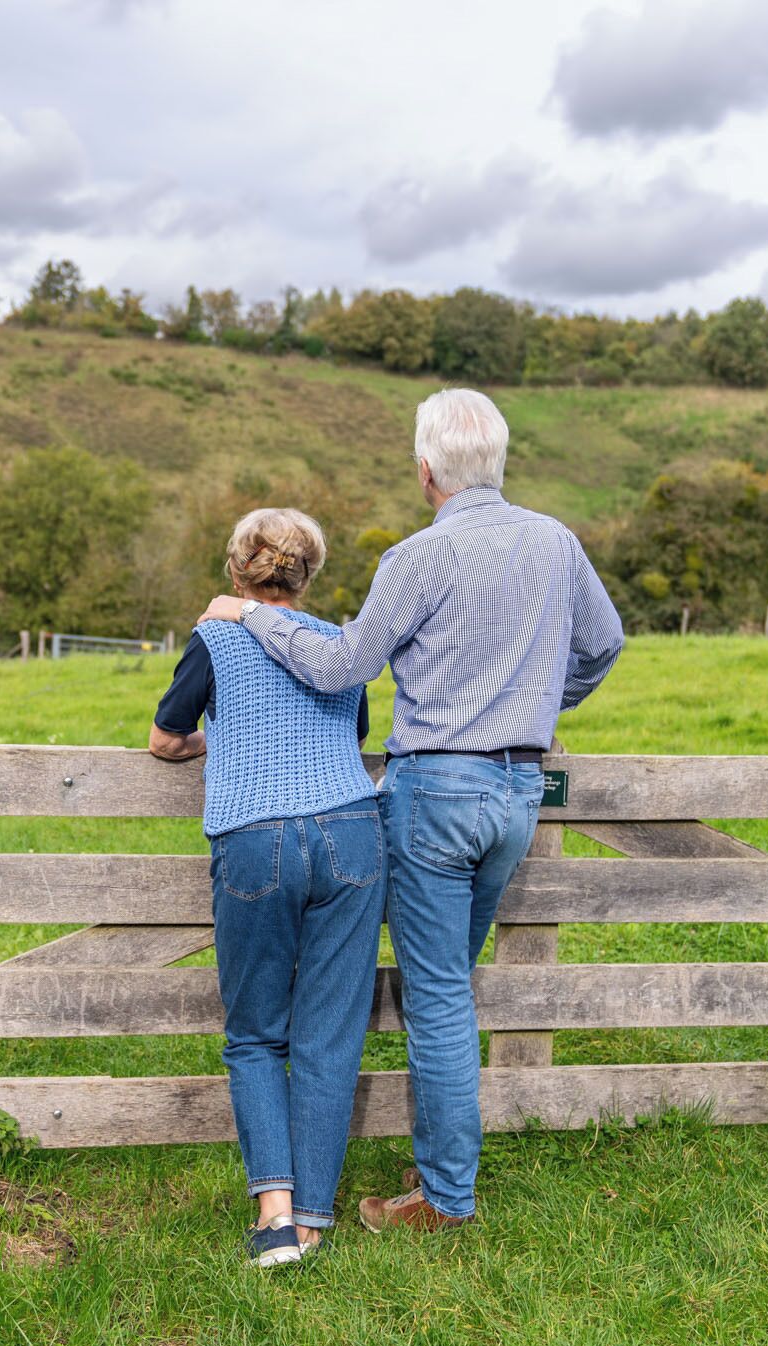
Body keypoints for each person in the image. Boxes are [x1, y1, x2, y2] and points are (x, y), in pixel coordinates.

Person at [197, 388, 624, 1232]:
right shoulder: (557, 542)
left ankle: (444, 1198)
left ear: (426, 470)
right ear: (496, 461)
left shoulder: (416, 559)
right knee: (448, 989)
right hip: (515, 793)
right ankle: (442, 1157)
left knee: (435, 999)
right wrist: (536, 705)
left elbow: (341, 664)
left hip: (436, 793)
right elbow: (603, 642)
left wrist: (251, 614)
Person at [149, 507, 384, 1268]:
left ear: (237, 569)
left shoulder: (216, 637)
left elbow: (164, 738)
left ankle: (276, 1219)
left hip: (256, 836)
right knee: (330, 1030)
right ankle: (315, 1215)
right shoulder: (338, 643)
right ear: (307, 573)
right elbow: (345, 735)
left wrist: (225, 736)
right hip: (351, 832)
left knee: (256, 1031)